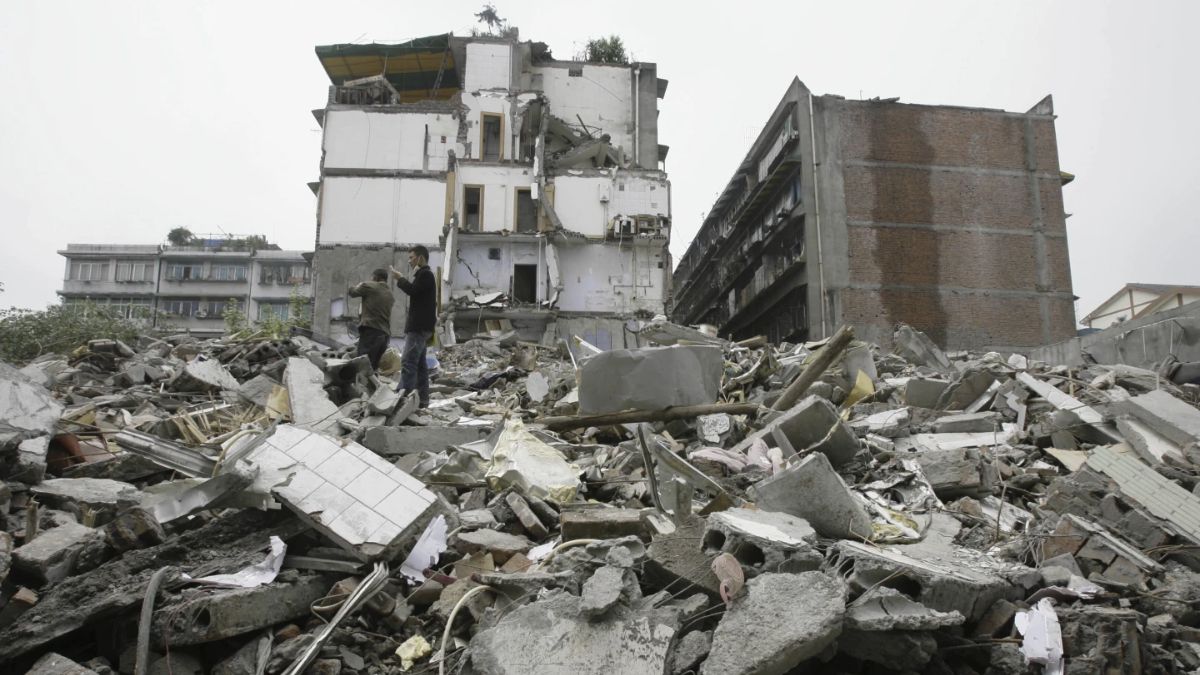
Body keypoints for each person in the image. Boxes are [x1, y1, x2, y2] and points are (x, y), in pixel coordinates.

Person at [390, 246, 437, 407]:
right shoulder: (424, 275)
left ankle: (403, 399)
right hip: (423, 327)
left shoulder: (425, 275)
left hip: (418, 327)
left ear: (420, 258)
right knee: (420, 365)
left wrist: (400, 279)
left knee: (408, 362)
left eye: (411, 257)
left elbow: (413, 290)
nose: (409, 261)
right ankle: (423, 400)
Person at [347, 268, 393, 370]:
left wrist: (357, 285)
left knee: (362, 365)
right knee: (373, 368)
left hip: (371, 331)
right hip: (385, 335)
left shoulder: (369, 286)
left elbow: (352, 292)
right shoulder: (390, 294)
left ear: (375, 277)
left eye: (372, 278)